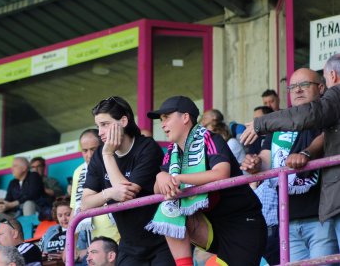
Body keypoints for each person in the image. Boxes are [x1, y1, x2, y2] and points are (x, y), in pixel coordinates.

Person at [146, 95, 266, 266]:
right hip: (212, 226)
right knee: (168, 208)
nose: (162, 124)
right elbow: (159, 189)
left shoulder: (210, 138)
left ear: (185, 117)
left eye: (167, 117)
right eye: (161, 120)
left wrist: (178, 178)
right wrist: (160, 176)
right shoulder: (172, 152)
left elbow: (221, 173)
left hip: (243, 224)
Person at [240, 58, 340, 247]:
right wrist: (254, 163)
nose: (298, 90)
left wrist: (306, 153)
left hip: (319, 217)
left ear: (321, 88)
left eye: (304, 84)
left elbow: (324, 138)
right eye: (292, 87)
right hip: (287, 219)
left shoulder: (327, 113)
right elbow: (266, 159)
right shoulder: (280, 122)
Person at [82, 96, 174, 265]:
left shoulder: (146, 147)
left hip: (162, 240)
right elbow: (85, 203)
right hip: (129, 245)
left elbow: (125, 195)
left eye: (105, 124)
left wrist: (108, 155)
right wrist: (109, 193)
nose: (100, 132)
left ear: (123, 121)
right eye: (98, 126)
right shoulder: (99, 155)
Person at [70, 129, 120, 244]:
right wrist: (70, 245)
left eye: (93, 149)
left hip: (120, 234)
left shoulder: (115, 163)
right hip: (93, 240)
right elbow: (75, 207)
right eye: (85, 151)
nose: (89, 155)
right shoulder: (78, 172)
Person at [0, 157, 50, 221]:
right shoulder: (13, 182)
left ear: (24, 168)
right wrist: (2, 205)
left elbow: (33, 194)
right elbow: (8, 200)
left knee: (28, 204)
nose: (12, 169)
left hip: (37, 210)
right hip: (16, 213)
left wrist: (13, 204)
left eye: (15, 166)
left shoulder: (34, 176)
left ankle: (31, 228)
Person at [40, 196, 87, 264]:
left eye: (67, 215)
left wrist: (68, 255)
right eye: (60, 215)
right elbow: (41, 251)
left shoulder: (83, 229)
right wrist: (44, 255)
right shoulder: (50, 230)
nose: (64, 219)